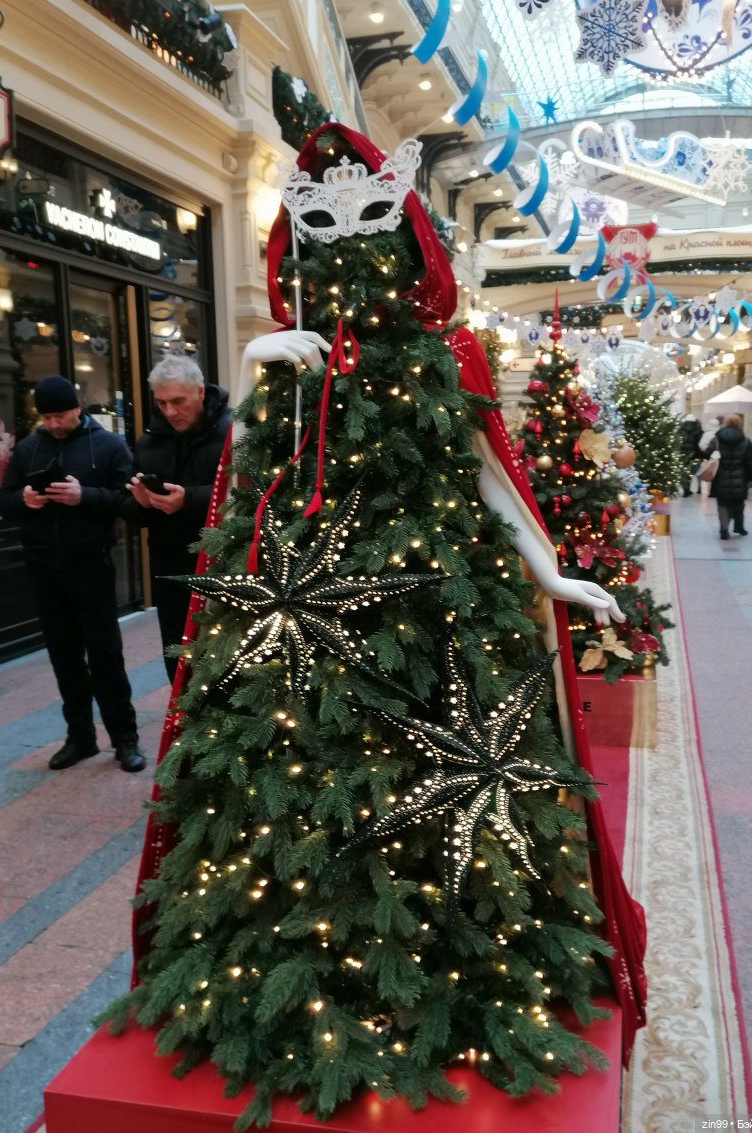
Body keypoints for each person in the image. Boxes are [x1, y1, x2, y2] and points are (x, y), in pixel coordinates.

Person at [118, 124, 646, 1118]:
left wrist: (551, 570)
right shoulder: (292, 361)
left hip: (431, 636)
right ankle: (280, 962)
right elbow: (244, 502)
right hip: (295, 654)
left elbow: (489, 478)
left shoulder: (441, 354)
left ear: (407, 238)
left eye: (369, 219)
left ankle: (452, 967)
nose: (350, 246)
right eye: (323, 223)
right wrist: (259, 365)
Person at [0, 375, 144, 772]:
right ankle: (80, 738)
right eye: (47, 417)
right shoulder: (29, 449)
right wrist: (24, 500)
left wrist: (85, 496)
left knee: (105, 655)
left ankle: (124, 738)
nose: (55, 424)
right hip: (44, 567)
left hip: (91, 565)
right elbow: (5, 500)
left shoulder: (109, 446)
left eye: (61, 415)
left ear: (77, 409)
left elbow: (128, 500)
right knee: (64, 657)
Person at [121, 355, 230, 681]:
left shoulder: (232, 429)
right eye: (162, 402)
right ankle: (182, 726)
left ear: (199, 392)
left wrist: (189, 500)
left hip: (223, 564)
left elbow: (248, 493)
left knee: (224, 657)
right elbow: (125, 506)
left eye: (178, 401)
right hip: (169, 569)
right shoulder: (149, 441)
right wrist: (141, 503)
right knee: (179, 656)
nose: (169, 411)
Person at [702, 412, 752, 540]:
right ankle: (738, 526)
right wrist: (751, 478)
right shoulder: (746, 440)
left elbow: (707, 453)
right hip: (740, 476)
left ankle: (724, 529)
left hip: (721, 475)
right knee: (738, 502)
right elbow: (749, 461)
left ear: (725, 423)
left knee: (722, 503)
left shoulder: (717, 438)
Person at [678, 413, 703, 496]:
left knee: (684, 472)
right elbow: (700, 445)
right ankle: (699, 488)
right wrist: (700, 456)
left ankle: (686, 489)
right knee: (695, 470)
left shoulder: (681, 430)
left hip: (683, 455)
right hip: (694, 455)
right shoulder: (698, 430)